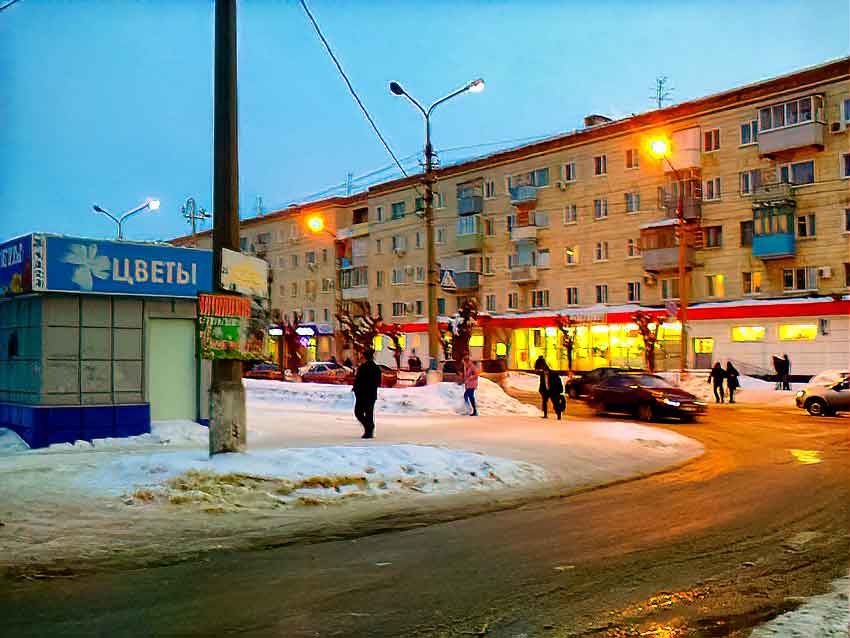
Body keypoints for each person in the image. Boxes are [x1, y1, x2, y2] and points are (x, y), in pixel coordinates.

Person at [352, 349, 382, 439]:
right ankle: (369, 429)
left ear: (364, 357)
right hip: (371, 394)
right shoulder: (376, 368)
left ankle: (369, 428)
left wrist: (357, 388)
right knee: (369, 413)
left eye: (361, 357)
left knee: (358, 412)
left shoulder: (363, 368)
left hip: (363, 394)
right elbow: (378, 382)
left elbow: (359, 380)